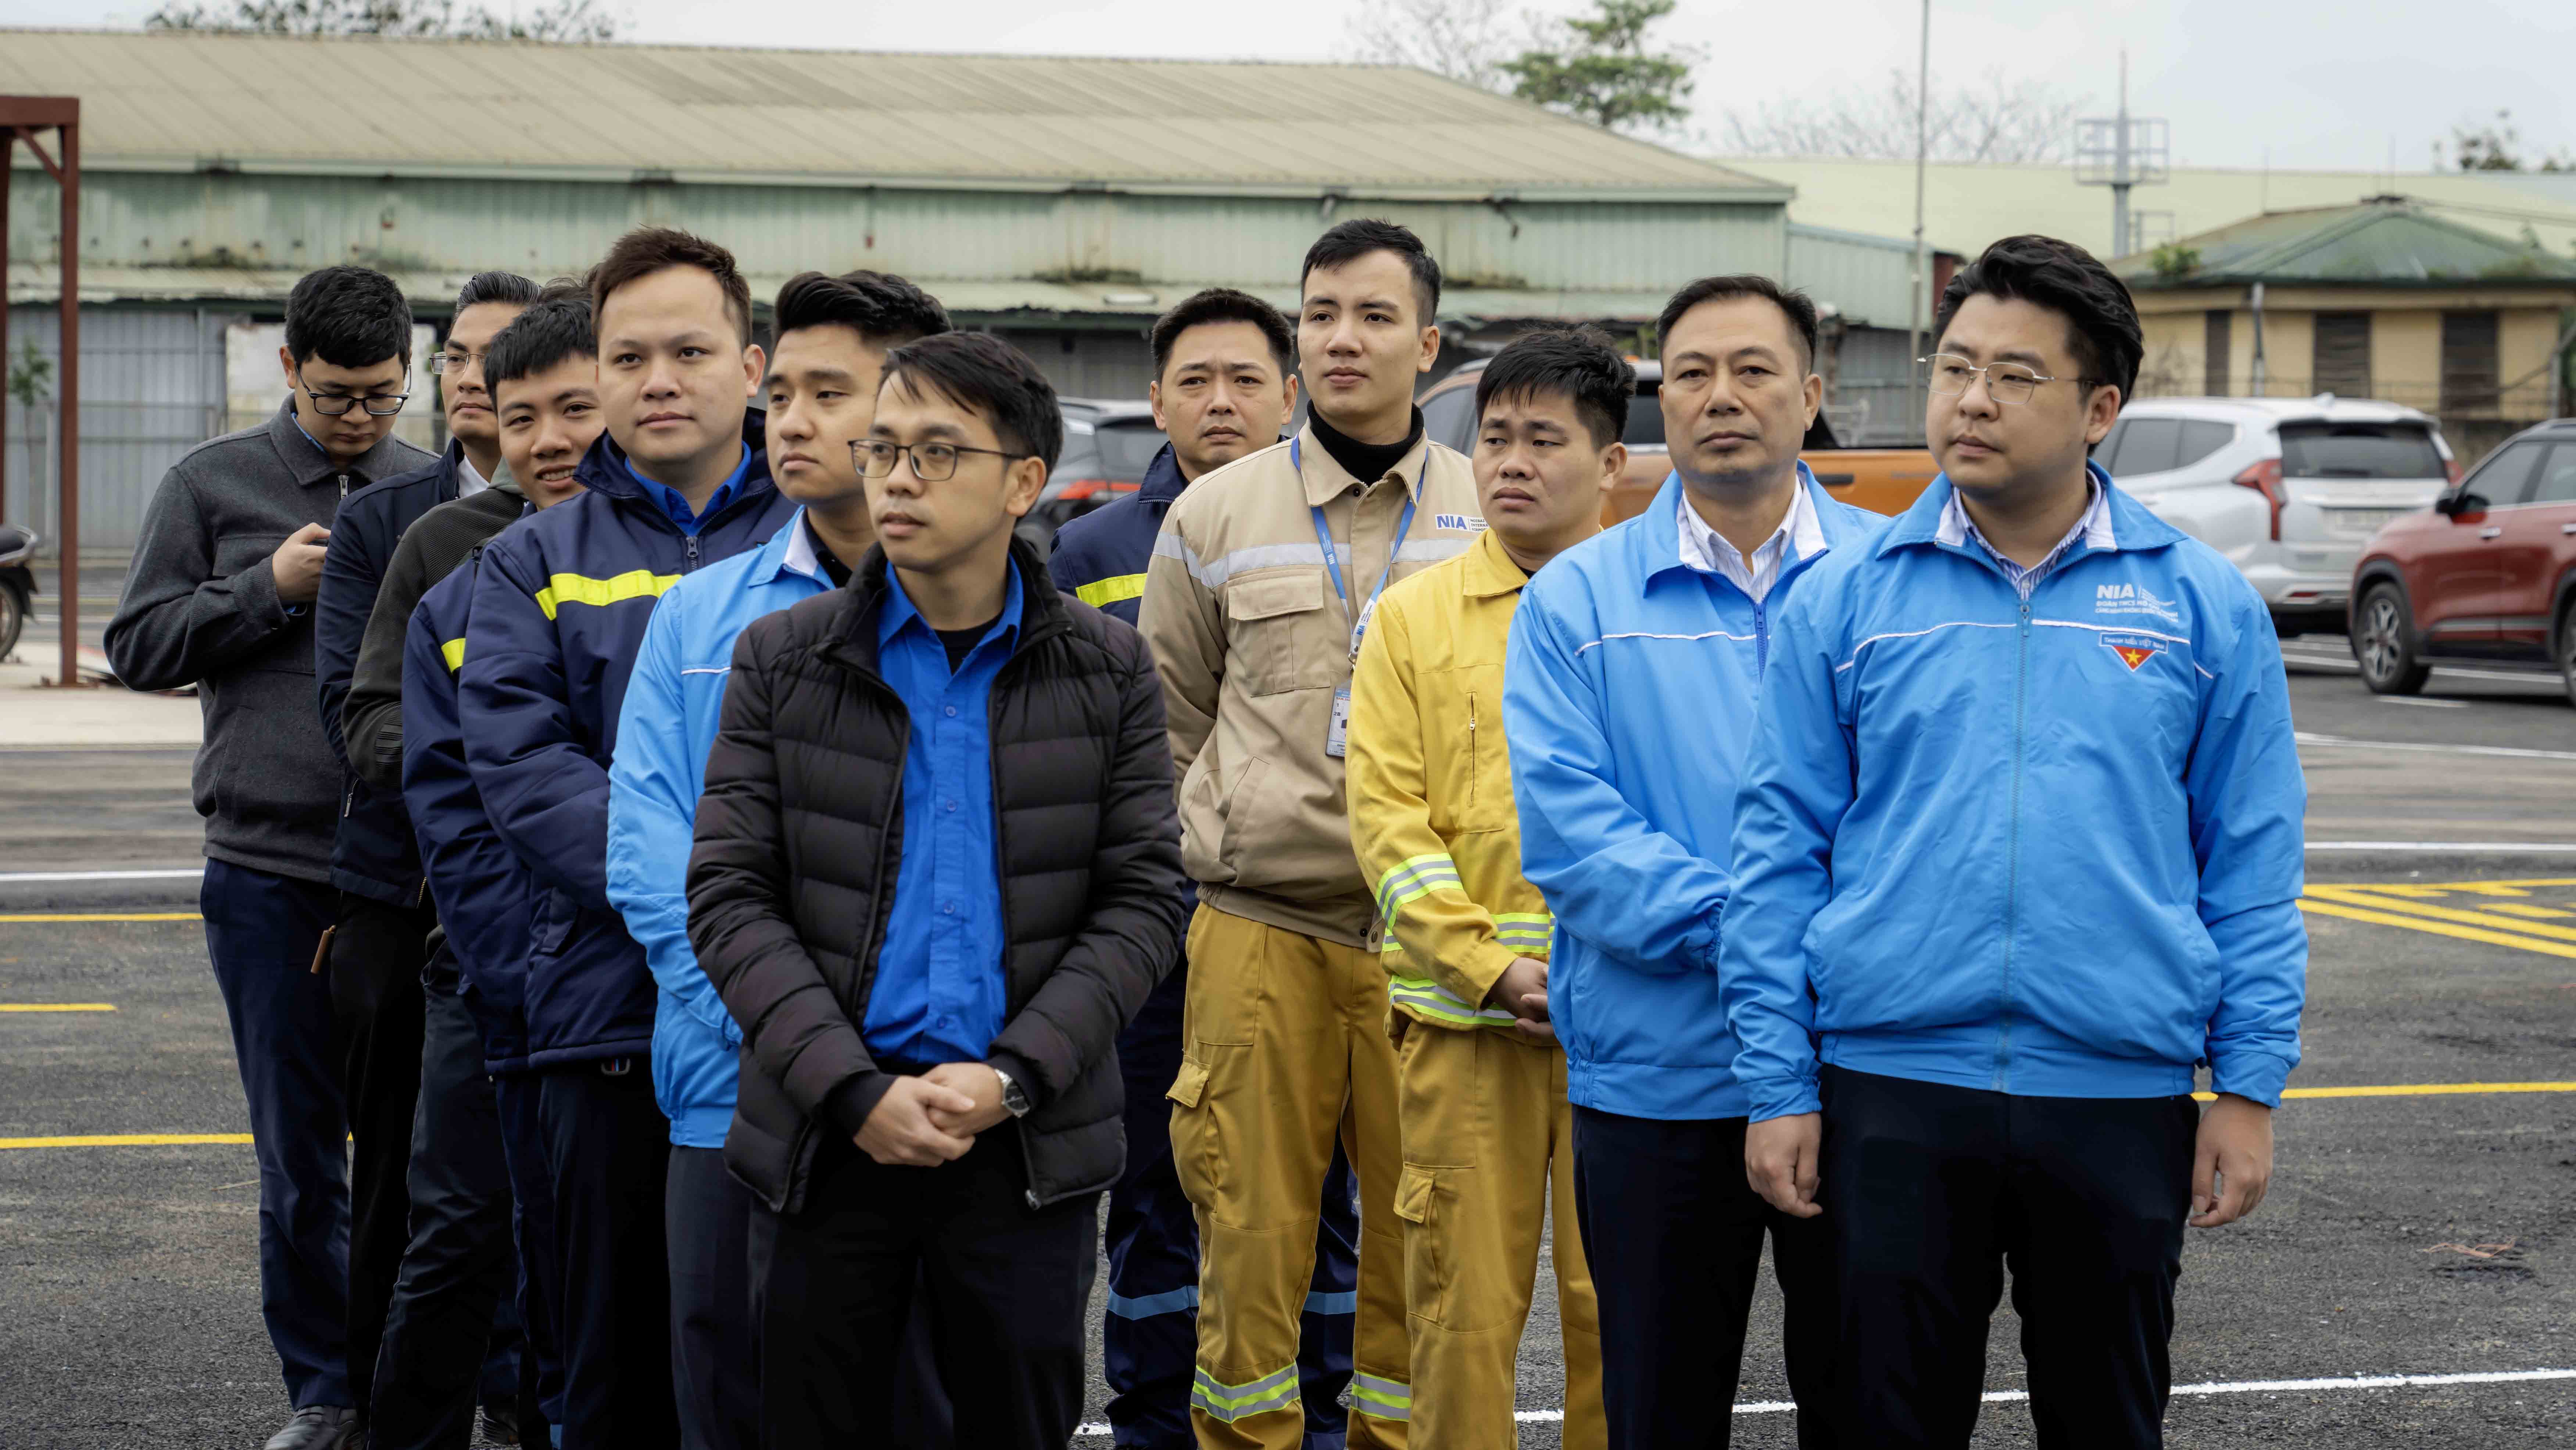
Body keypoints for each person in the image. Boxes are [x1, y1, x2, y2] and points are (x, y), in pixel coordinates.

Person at [1723, 235, 2306, 1449]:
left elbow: (2251, 868)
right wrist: (1779, 1085)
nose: (1973, 400)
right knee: (1883, 1424)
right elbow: (1778, 855)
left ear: (2101, 409)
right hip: (1890, 1089)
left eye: (2016, 376)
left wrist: (2246, 1088)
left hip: (2118, 1094)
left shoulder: (2200, 604)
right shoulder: (1849, 597)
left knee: (2107, 1423)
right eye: (1955, 368)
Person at [686, 329, 1185, 1449]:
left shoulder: (1109, 669)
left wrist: (1015, 1076)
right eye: (885, 449)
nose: (898, 478)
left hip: (1021, 1144)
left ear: (1023, 482)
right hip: (829, 1138)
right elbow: (729, 895)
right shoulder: (783, 659)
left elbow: (1145, 900)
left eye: (938, 452)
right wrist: (848, 1088)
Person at [1503, 276, 1885, 1449]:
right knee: (1660, 1409)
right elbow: (1575, 834)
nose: (1722, 396)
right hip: (1655, 1077)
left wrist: (1817, 948)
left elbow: (1933, 813)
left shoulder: (1899, 579)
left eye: (1754, 370)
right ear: (1659, 402)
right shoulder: (1575, 598)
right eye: (1692, 374)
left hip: (1865, 1070)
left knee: (1874, 1404)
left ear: (1810, 396)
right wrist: (1769, 934)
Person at [1139, 218, 1485, 1449]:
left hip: (1434, 947)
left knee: (1430, 1246)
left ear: (1427, 346)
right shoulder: (1214, 514)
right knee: (1244, 1243)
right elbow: (1169, 723)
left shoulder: (1491, 510)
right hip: (1259, 930)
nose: (1344, 338)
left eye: (1375, 316)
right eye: (1322, 314)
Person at [460, 228, 795, 1448]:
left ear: (751, 368)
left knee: (783, 1355)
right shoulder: (527, 563)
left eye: (691, 352)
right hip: (604, 1010)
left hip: (798, 1015)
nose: (660, 381)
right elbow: (524, 768)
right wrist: (706, 892)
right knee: (610, 1366)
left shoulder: (826, 538)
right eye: (629, 357)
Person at [605, 268, 949, 1450]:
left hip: (928, 1094)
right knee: (736, 1399)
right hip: (732, 1087)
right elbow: (653, 853)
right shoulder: (701, 617)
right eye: (783, 392)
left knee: (920, 1406)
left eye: (829, 394)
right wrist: (790, 1038)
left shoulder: (1000, 619)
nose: (791, 421)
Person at [106, 263, 433, 1450]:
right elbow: (138, 645)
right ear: (289, 367)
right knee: (302, 1159)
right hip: (266, 872)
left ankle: (437, 1379)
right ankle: (325, 1391)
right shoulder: (211, 483)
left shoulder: (428, 493)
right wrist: (267, 589)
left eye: (383, 396)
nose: (360, 418)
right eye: (337, 394)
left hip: (403, 877)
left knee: (424, 1154)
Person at [1045, 286, 1363, 1450]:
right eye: (1194, 381)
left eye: (1245, 380)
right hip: (1149, 946)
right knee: (1156, 1194)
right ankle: (1154, 1418)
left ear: (1289, 396)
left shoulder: (1339, 530)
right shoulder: (1088, 554)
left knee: (1321, 1195)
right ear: (1156, 400)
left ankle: (1319, 1409)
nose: (1220, 401)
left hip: (1295, 928)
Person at [1345, 327, 1632, 1450]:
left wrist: (1611, 967)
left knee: (1621, 1316)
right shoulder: (1411, 617)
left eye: (1544, 440)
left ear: (1611, 463)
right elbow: (1387, 820)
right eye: (1496, 438)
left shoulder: (1655, 611)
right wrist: (1491, 966)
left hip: (1633, 1027)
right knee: (1457, 1317)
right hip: (1466, 1027)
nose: (1511, 462)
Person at [350, 289, 602, 1450]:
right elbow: (389, 740)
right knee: (456, 1233)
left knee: (595, 1256)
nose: (548, 439)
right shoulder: (445, 555)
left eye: (575, 410)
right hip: (484, 961)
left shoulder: (691, 561)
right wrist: (508, 948)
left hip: (642, 971)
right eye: (520, 416)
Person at [312, 269, 542, 1442]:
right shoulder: (408, 529)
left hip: (584, 923)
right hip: (412, 902)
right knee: (418, 1196)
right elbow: (363, 718)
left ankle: (527, 1394)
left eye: (514, 364)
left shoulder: (642, 536)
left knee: (558, 1206)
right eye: (464, 359)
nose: (483, 383)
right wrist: (517, 775)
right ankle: (369, 1406)